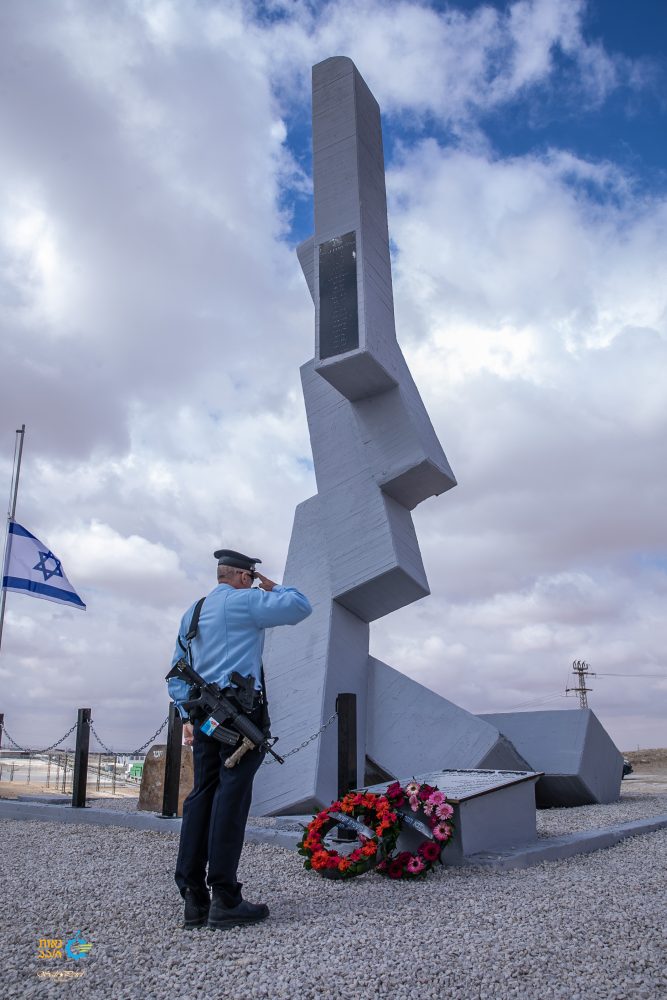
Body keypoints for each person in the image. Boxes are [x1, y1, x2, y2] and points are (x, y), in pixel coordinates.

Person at [167, 548, 312, 931]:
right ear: (245, 576)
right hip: (240, 715)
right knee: (231, 799)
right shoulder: (247, 600)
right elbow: (300, 606)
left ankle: (193, 897)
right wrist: (271, 586)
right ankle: (225, 898)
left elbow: (177, 670)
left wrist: (186, 715)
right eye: (252, 578)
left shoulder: (193, 611)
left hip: (205, 717)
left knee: (202, 795)